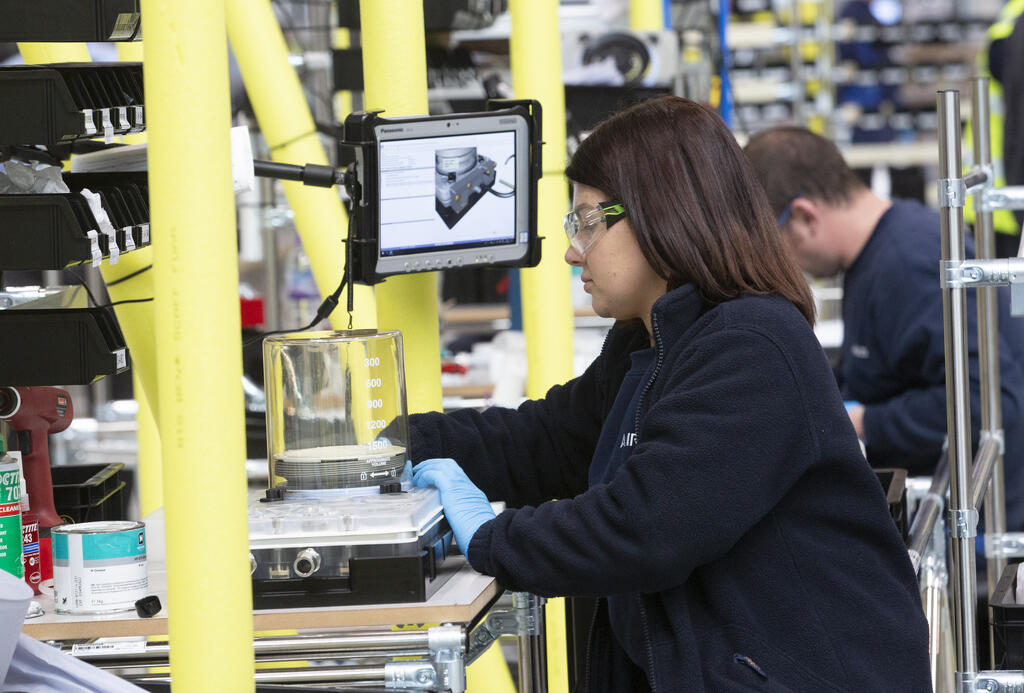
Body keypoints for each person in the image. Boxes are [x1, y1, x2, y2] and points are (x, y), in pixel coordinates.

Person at [409, 96, 930, 692]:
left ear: (661, 213)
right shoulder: (653, 339)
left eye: (587, 222)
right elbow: (551, 440)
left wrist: (490, 539)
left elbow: (646, 525)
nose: (573, 250)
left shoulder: (752, 345)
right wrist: (397, 445)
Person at [744, 126, 1024, 531]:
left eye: (775, 244)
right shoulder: (875, 253)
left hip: (981, 525)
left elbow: (990, 400)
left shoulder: (906, 265)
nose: (784, 263)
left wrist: (862, 422)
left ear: (805, 216)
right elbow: (880, 369)